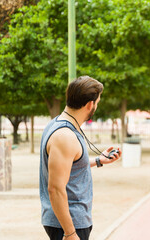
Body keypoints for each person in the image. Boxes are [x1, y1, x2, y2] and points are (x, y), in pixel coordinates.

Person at [39, 76, 121, 240]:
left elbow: (67, 166)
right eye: (97, 102)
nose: (96, 106)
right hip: (68, 224)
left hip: (69, 221)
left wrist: (99, 161)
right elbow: (55, 189)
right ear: (90, 104)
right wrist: (70, 233)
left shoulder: (58, 124)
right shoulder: (65, 136)